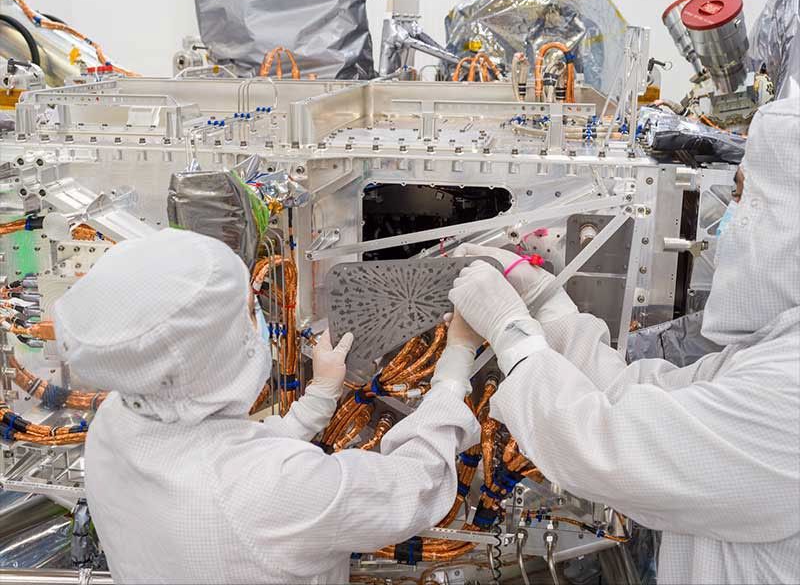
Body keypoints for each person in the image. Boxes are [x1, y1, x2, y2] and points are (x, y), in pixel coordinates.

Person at [447, 97, 800, 584]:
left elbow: (605, 448)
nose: (726, 221)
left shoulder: (787, 393)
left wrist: (511, 333)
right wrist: (551, 309)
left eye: (740, 196)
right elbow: (636, 395)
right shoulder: (779, 349)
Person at [54, 228, 480, 584]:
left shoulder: (113, 424)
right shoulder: (276, 490)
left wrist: (318, 398)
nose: (258, 318)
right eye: (248, 311)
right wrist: (455, 364)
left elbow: (220, 458)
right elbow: (415, 487)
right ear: (212, 351)